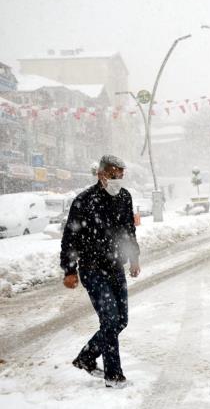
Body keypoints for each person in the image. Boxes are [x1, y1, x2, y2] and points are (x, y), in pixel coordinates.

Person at [60, 154, 140, 388]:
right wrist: (69, 270)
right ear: (102, 174)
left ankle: (86, 357)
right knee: (110, 319)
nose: (118, 179)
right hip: (92, 269)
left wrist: (134, 258)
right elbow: (70, 238)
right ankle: (113, 376)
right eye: (115, 174)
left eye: (121, 175)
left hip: (116, 267)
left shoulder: (124, 197)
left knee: (120, 321)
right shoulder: (84, 200)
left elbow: (128, 231)